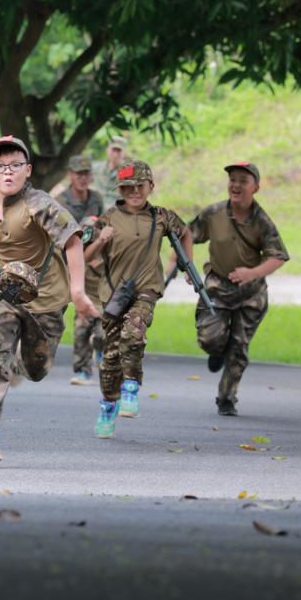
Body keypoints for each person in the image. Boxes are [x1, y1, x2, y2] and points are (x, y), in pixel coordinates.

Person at [0, 135, 96, 467]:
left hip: (45, 300)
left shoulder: (40, 204)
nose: (7, 172)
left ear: (28, 170)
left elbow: (73, 240)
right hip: (4, 295)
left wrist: (78, 292)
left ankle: (19, 364)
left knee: (37, 368)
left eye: (15, 165)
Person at [84, 160, 191, 438]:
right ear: (119, 189)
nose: (134, 192)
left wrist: (185, 265)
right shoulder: (108, 218)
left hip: (146, 289)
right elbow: (85, 256)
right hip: (113, 295)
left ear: (150, 186)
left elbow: (185, 233)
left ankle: (130, 387)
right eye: (127, 187)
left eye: (140, 186)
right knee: (110, 358)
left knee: (133, 334)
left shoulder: (161, 217)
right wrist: (101, 240)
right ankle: (109, 404)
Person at [186, 162, 289, 416]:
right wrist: (187, 265)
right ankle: (217, 350)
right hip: (217, 289)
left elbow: (278, 256)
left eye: (243, 180)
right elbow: (185, 234)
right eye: (233, 179)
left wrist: (251, 273)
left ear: (256, 188)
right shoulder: (214, 213)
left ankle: (226, 399)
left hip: (250, 295)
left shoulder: (262, 221)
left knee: (239, 348)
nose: (236, 185)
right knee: (210, 339)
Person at [56, 154, 106, 385]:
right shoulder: (60, 202)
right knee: (54, 316)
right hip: (64, 264)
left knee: (87, 317)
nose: (83, 178)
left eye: (86, 174)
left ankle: (85, 367)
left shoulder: (96, 199)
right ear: (70, 175)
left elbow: (101, 229)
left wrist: (96, 254)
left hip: (92, 264)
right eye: (79, 174)